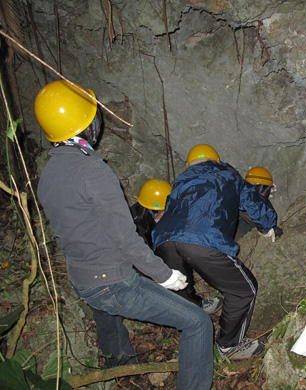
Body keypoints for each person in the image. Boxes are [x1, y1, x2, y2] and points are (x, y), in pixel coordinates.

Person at [35, 80, 214, 389]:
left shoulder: (47, 174)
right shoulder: (93, 171)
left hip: (81, 278)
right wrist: (164, 276)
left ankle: (120, 371)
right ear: (86, 125)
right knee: (197, 323)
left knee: (107, 317)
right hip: (111, 282)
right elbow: (127, 238)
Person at [152, 144, 278, 361]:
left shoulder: (182, 180)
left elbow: (169, 209)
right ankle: (229, 346)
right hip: (202, 238)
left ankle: (196, 319)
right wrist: (267, 226)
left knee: (179, 282)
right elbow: (253, 201)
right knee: (244, 290)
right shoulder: (227, 174)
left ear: (189, 165)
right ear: (216, 161)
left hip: (164, 239)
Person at [130, 178, 223, 314]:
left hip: (148, 260)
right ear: (153, 210)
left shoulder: (142, 212)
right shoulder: (134, 230)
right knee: (172, 255)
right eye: (164, 211)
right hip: (136, 273)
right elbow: (140, 260)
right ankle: (192, 305)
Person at [235, 166, 283, 241]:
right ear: (260, 187)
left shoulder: (238, 198)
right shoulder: (249, 206)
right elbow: (263, 222)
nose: (269, 193)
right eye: (268, 189)